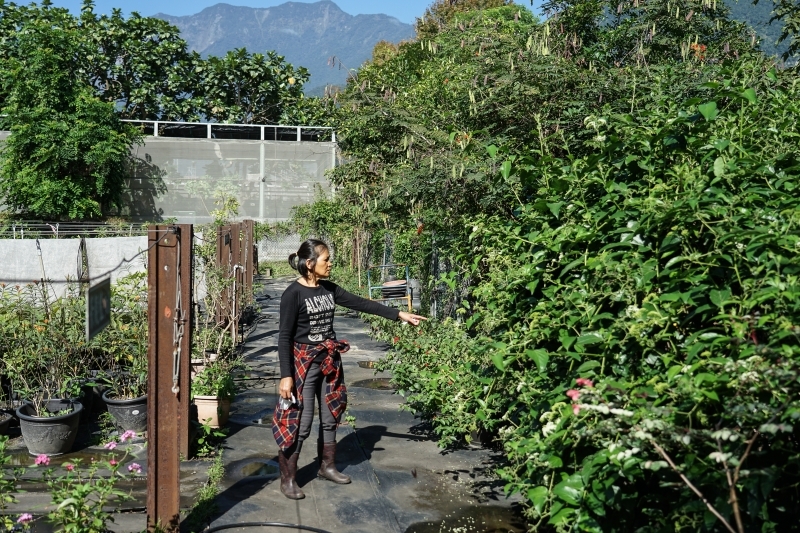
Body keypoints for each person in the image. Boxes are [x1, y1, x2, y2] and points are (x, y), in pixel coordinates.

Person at [272, 239, 426, 499]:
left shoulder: (328, 289)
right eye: (326, 260)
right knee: (302, 422)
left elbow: (361, 303)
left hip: (329, 362)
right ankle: (288, 479)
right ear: (310, 264)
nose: (330, 264)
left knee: (332, 414)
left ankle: (327, 466)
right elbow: (284, 336)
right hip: (304, 365)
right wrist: (286, 375)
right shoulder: (293, 294)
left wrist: (399, 314)